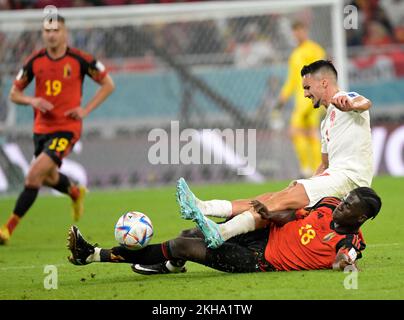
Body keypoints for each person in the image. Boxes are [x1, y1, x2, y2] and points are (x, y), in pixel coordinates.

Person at [170, 59, 374, 249]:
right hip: (335, 177)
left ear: (324, 83)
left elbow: (363, 102)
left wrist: (353, 105)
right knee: (271, 197)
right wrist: (308, 183)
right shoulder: (325, 121)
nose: (304, 94)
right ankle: (205, 207)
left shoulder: (343, 100)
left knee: (279, 202)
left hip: (351, 181)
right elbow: (325, 164)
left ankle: (222, 233)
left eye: (307, 88)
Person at [67, 187, 381, 274]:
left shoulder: (350, 240)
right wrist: (270, 213)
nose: (343, 204)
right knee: (190, 234)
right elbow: (296, 215)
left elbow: (345, 257)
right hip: (262, 235)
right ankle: (169, 267)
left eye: (350, 204)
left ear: (363, 216)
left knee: (182, 244)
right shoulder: (327, 204)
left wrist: (345, 263)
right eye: (346, 199)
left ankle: (92, 255)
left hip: (258, 260)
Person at [0, 15, 115, 245]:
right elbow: (14, 93)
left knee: (34, 174)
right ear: (43, 34)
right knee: (47, 176)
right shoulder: (34, 61)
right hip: (41, 129)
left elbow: (108, 84)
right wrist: (32, 101)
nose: (51, 35)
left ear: (65, 33)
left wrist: (85, 110)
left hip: (67, 129)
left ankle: (7, 229)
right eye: (47, 31)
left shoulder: (80, 59)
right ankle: (74, 192)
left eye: (55, 31)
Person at [275, 21, 326, 178]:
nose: (298, 34)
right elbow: (292, 80)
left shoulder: (315, 50)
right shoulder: (295, 54)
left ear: (306, 31)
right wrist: (282, 98)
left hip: (313, 99)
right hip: (301, 99)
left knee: (296, 130)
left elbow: (323, 73)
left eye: (300, 30)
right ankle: (317, 170)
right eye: (295, 31)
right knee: (311, 133)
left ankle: (308, 168)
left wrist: (321, 95)